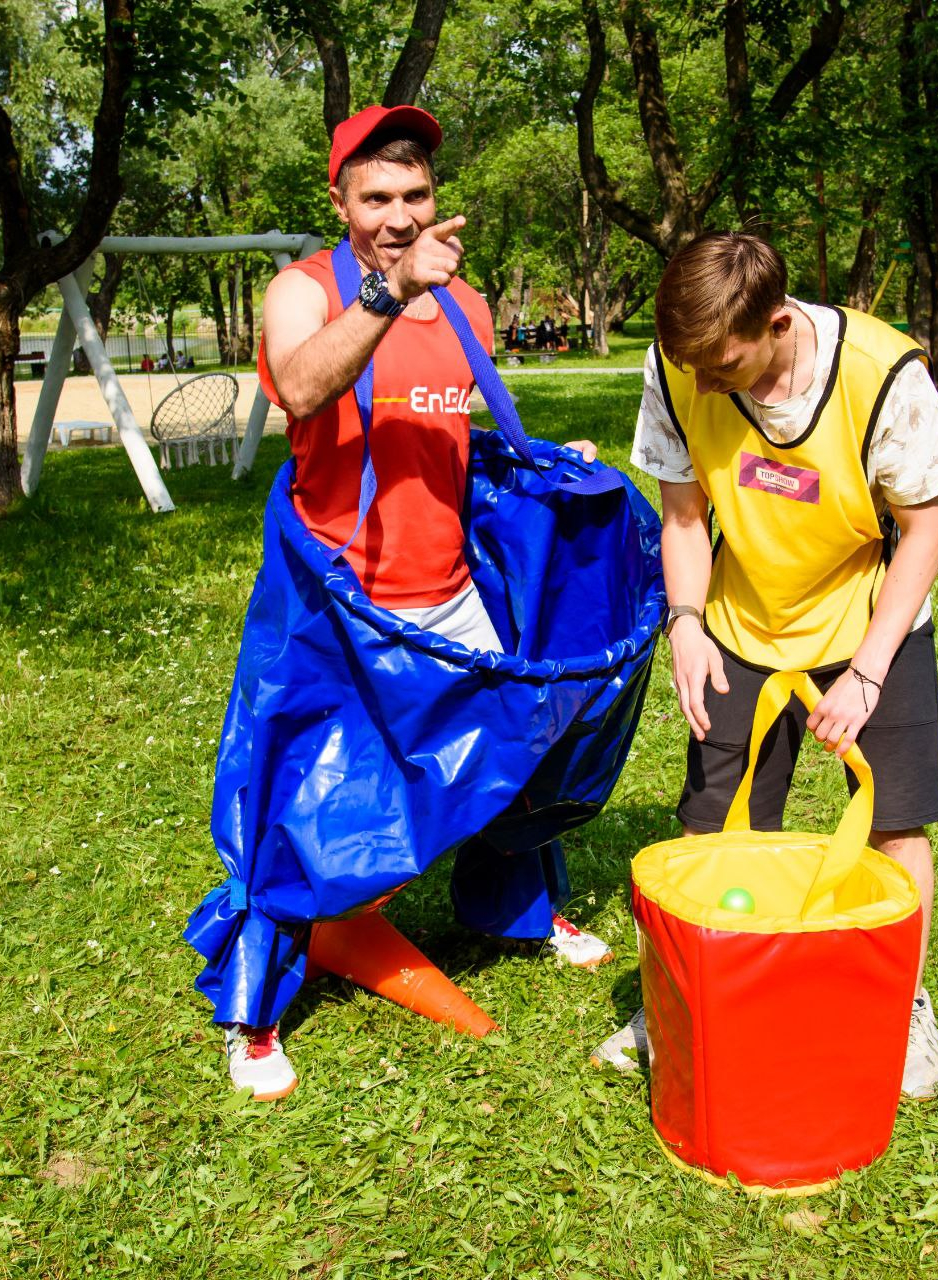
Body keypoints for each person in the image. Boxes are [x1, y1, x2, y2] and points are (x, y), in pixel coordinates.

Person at [226, 104, 611, 1100]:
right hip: (338, 606)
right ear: (340, 202)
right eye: (376, 198)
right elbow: (301, 388)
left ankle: (514, 912)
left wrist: (541, 460)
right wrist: (388, 293)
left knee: (515, 753)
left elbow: (446, 431)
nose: (398, 216)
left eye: (415, 195)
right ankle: (257, 1012)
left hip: (446, 592)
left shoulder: (466, 301)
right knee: (301, 797)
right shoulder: (304, 291)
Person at [594, 232, 938, 1099]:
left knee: (895, 825)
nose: (706, 386)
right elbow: (683, 516)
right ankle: (680, 1000)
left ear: (778, 322)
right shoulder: (681, 367)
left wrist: (868, 670)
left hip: (872, 621)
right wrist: (686, 624)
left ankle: (903, 1007)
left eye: (724, 365)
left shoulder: (882, 372)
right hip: (741, 621)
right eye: (693, 368)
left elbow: (927, 528)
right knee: (712, 830)